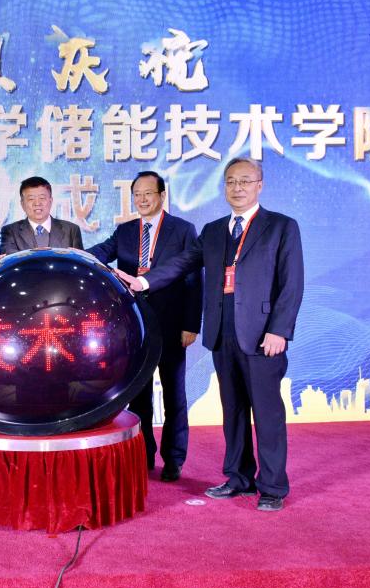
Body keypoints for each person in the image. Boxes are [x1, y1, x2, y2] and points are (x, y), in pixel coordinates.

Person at [116, 157, 304, 512]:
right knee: (232, 410)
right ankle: (238, 477)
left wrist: (279, 330)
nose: (237, 188)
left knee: (267, 413)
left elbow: (291, 284)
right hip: (222, 333)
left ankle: (273, 486)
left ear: (260, 185)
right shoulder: (214, 231)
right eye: (231, 181)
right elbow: (182, 263)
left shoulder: (281, 227)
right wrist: (143, 282)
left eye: (245, 181)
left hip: (263, 335)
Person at [86, 171, 202, 482]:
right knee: (139, 396)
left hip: (172, 324)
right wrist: (73, 255)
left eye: (148, 193)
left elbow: (193, 279)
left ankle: (174, 458)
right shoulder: (125, 231)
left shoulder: (183, 230)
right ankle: (144, 454)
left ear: (162, 195)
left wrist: (191, 324)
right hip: (135, 325)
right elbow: (101, 253)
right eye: (137, 194)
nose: (142, 199)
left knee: (174, 394)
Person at [0, 176, 83, 254]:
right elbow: (7, 262)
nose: (37, 203)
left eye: (42, 198)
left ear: (51, 201)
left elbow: (81, 263)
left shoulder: (71, 230)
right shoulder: (10, 231)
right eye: (31, 199)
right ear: (22, 204)